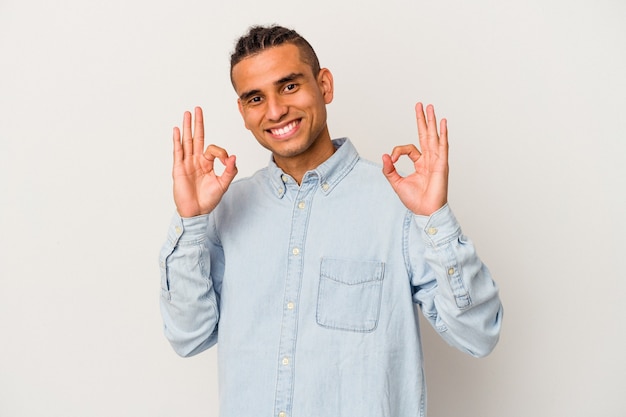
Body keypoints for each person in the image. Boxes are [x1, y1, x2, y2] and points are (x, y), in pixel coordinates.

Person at [159, 25, 502, 417]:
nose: (275, 111)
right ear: (243, 112)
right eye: (256, 98)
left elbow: (480, 334)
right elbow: (188, 337)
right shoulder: (225, 209)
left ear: (324, 85)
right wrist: (190, 221)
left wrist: (435, 219)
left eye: (289, 86)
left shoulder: (399, 203)